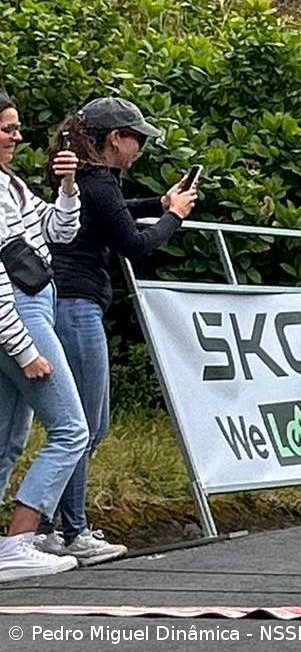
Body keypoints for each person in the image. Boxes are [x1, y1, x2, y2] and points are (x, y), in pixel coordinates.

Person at [32, 97, 197, 565]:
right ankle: (68, 530)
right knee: (85, 426)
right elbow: (135, 244)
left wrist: (157, 202)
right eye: (136, 138)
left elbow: (115, 210)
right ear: (113, 140)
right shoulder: (98, 183)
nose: (140, 147)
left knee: (80, 425)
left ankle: (54, 527)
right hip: (77, 307)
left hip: (65, 302)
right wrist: (175, 215)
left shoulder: (87, 179)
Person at [0, 94, 89, 581]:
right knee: (71, 429)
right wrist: (24, 348)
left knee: (8, 438)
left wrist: (68, 186)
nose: (17, 136)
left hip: (32, 305)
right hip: (20, 314)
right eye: (7, 129)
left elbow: (59, 231)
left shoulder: (11, 185)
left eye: (17, 128)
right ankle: (18, 541)